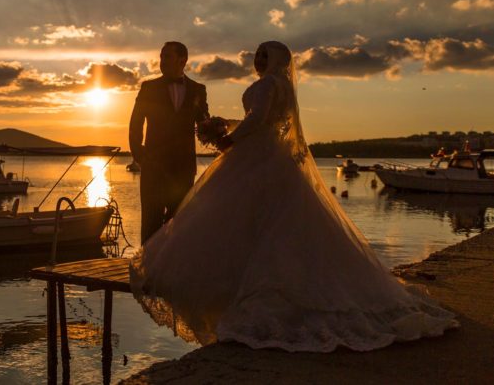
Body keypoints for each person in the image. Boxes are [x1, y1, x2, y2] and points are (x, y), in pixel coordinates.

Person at [129, 41, 457, 352]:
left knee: (228, 218)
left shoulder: (264, 85)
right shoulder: (281, 87)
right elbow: (261, 120)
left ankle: (210, 280)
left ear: (273, 60)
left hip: (251, 158)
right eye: (257, 55)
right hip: (259, 157)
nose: (256, 61)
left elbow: (257, 119)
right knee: (268, 222)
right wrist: (220, 127)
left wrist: (228, 140)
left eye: (261, 56)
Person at [129, 41, 210, 244]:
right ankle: (144, 270)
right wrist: (140, 156)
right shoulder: (148, 88)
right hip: (153, 167)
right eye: (161, 56)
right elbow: (135, 124)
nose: (161, 61)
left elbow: (203, 124)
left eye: (167, 56)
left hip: (183, 167)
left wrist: (216, 131)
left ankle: (172, 272)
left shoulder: (198, 90)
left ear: (182, 60)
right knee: (150, 222)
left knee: (179, 222)